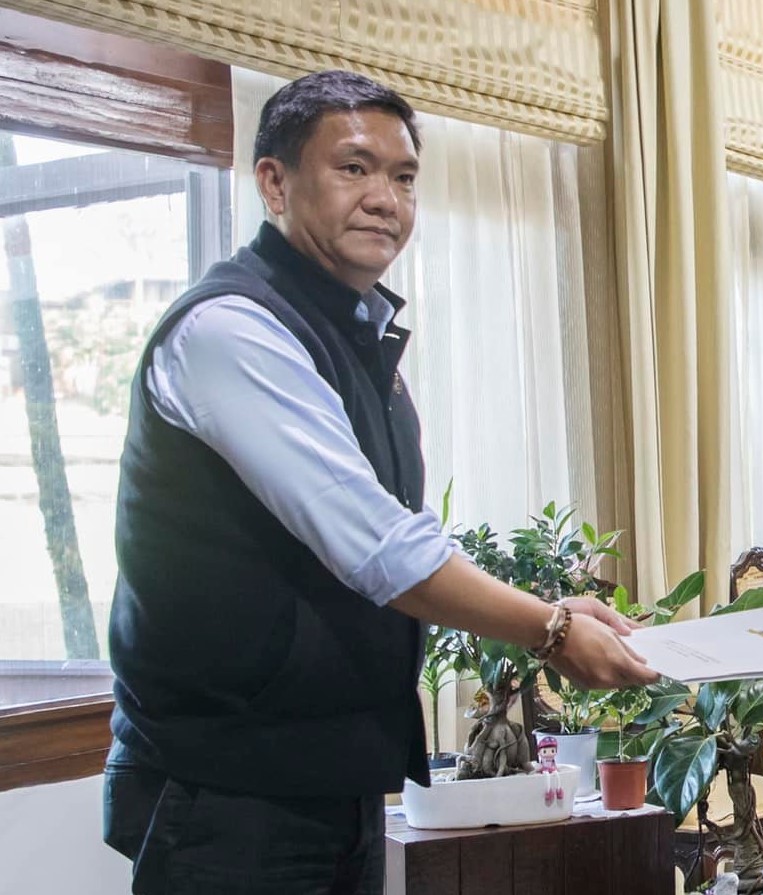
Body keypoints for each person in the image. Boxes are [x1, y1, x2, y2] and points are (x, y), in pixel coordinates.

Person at [103, 70, 656, 895]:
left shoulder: (355, 336)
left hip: (332, 773)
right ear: (274, 183)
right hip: (227, 784)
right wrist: (547, 629)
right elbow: (378, 547)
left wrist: (551, 607)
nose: (384, 200)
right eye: (353, 168)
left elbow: (400, 537)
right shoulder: (230, 329)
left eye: (403, 178)